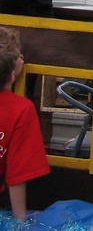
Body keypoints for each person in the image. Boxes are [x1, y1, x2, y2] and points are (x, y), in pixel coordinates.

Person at [0, 26, 50, 219]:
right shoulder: (21, 109)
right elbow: (18, 173)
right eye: (20, 56)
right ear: (12, 75)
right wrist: (20, 218)